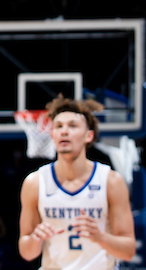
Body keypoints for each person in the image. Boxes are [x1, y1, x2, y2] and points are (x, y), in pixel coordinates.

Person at [18, 96, 136, 269]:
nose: (64, 131)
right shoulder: (35, 182)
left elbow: (128, 250)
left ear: (89, 136)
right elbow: (27, 252)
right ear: (52, 135)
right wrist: (36, 239)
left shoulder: (110, 181)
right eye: (58, 126)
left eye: (72, 126)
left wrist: (100, 237)